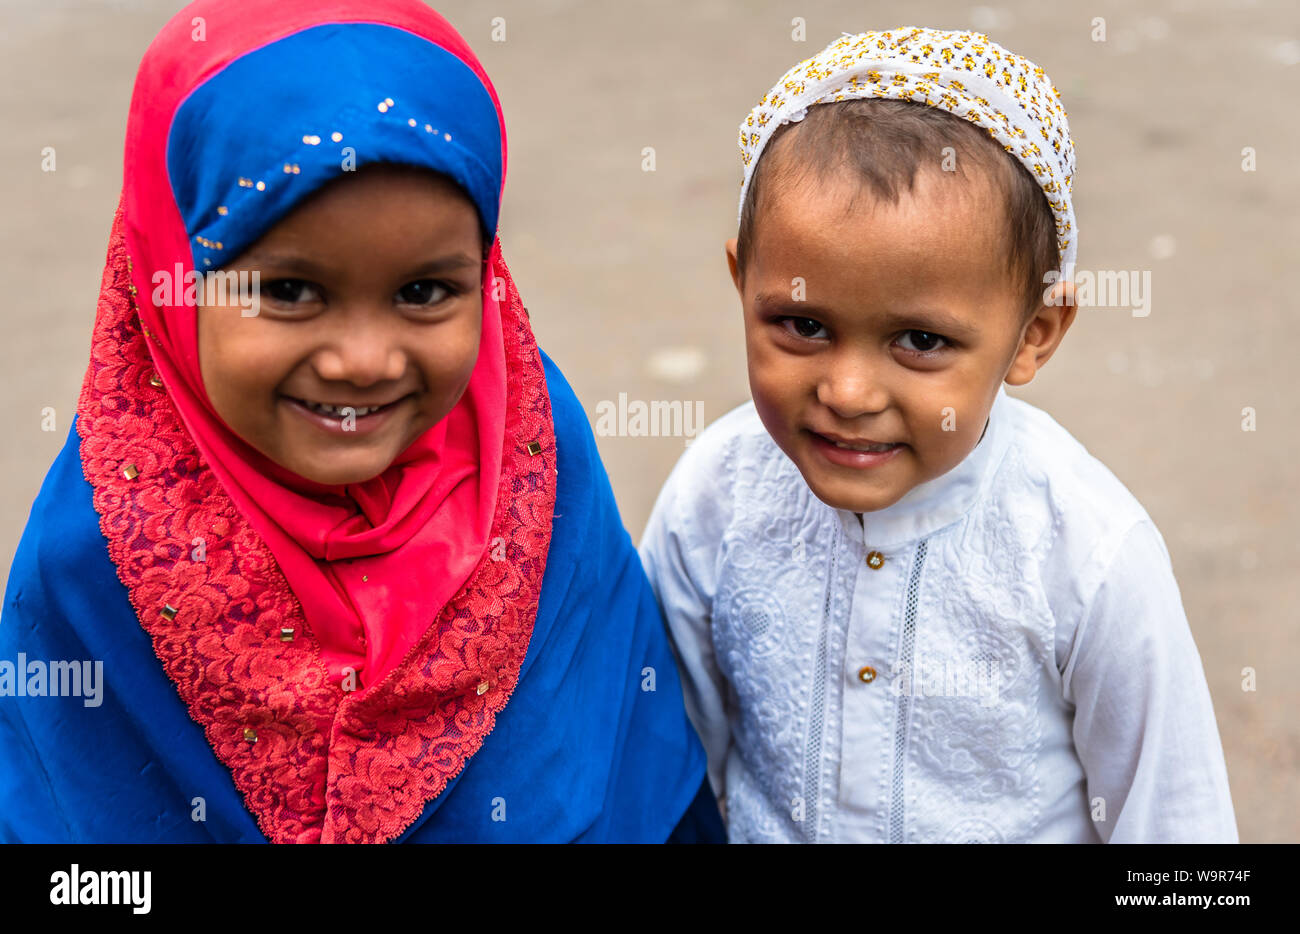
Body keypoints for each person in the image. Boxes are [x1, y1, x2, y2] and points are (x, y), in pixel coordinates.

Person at [0, 0, 721, 844]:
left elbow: (635, 776)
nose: (364, 360)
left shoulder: (534, 457)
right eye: (290, 291)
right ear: (170, 277)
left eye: (424, 292)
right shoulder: (98, 559)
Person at [638, 27, 1237, 843]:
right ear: (742, 281)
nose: (847, 392)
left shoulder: (1087, 555)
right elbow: (667, 765)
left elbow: (1176, 825)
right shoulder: (713, 496)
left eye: (919, 342)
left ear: (1034, 333)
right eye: (801, 324)